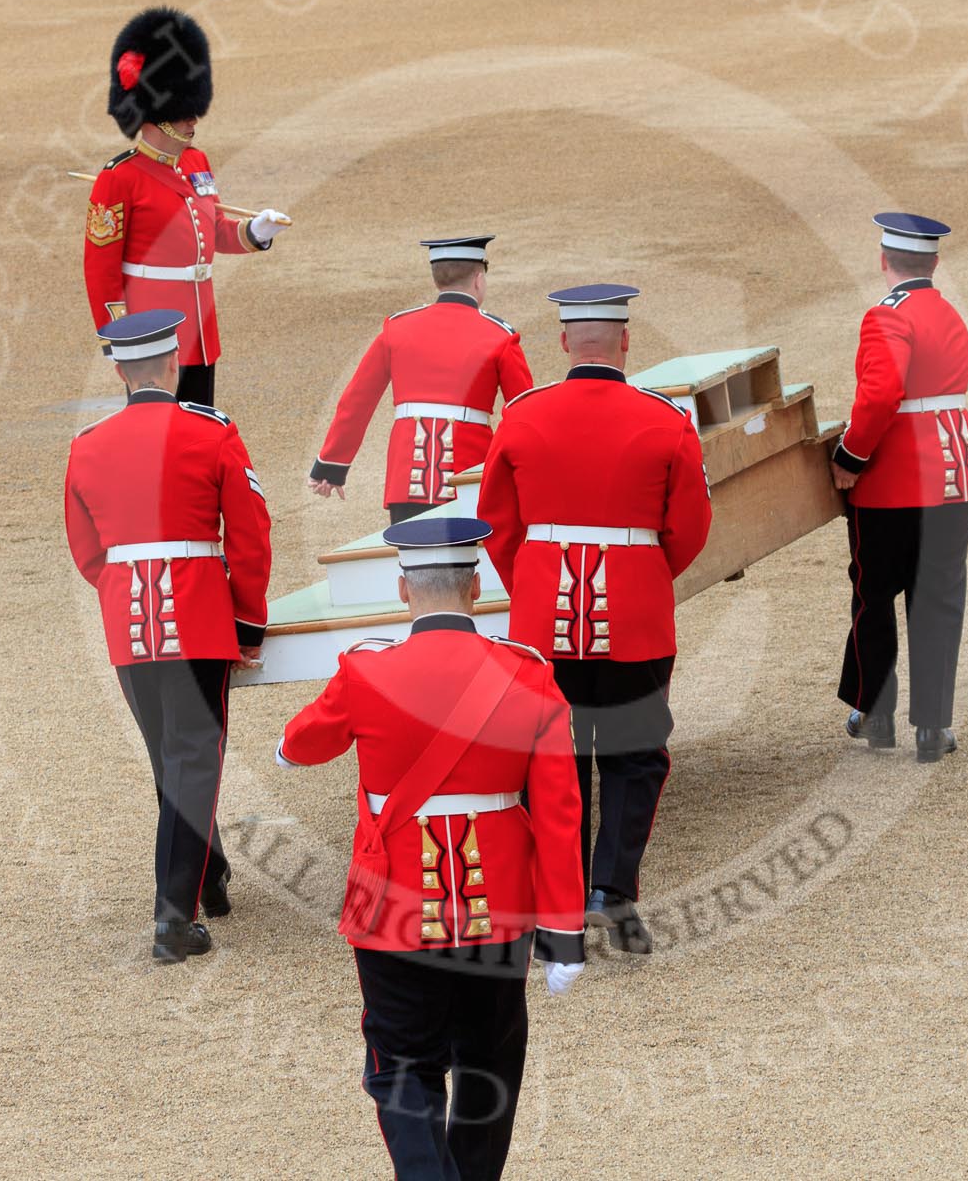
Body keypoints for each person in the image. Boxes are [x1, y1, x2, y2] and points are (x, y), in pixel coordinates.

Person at [277, 517, 585, 1181]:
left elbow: (305, 740)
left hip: (393, 907)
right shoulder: (526, 673)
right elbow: (560, 811)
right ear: (476, 588)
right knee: (489, 1065)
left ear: (403, 588)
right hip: (498, 903)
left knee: (401, 1069)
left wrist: (285, 750)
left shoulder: (365, 671)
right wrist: (564, 930)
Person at [477, 285, 712, 954]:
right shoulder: (663, 419)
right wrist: (643, 576)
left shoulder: (523, 415)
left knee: (555, 764)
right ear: (625, 341)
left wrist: (530, 586)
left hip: (544, 617)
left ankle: (561, 917)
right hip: (635, 614)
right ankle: (612, 890)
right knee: (635, 758)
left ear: (563, 343)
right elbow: (690, 526)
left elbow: (496, 523)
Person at [63, 310, 272, 962]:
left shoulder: (88, 445)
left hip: (129, 622)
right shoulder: (210, 432)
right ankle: (172, 919)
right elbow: (249, 532)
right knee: (190, 760)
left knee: (170, 759)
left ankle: (206, 878)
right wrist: (247, 618)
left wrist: (122, 591)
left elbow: (87, 551)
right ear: (174, 364)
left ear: (121, 371)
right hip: (200, 618)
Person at [832, 214, 968, 762]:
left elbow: (880, 395)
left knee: (874, 596)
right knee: (939, 600)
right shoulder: (949, 313)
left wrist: (851, 455)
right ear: (934, 262)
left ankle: (875, 715)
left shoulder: (886, 316)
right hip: (954, 471)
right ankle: (933, 726)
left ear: (884, 260)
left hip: (895, 477)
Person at [82, 6, 292, 406]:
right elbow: (101, 268)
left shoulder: (196, 162)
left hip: (200, 321)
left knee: (201, 427)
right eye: (182, 115)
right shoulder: (119, 178)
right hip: (153, 326)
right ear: (155, 116)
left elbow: (211, 232)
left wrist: (256, 232)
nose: (192, 120)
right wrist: (121, 337)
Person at [307, 235, 535, 524]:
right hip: (471, 473)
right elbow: (524, 414)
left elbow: (357, 401)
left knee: (413, 564)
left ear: (437, 279)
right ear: (478, 279)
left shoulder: (397, 328)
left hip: (407, 478)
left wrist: (332, 465)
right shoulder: (500, 335)